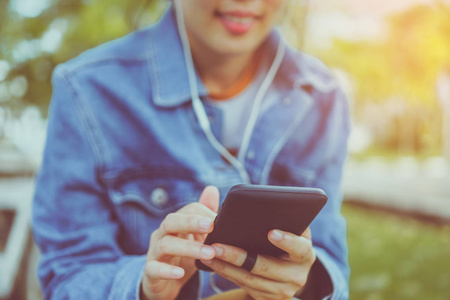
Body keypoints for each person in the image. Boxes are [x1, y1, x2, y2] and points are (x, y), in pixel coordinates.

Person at [32, 0, 351, 299]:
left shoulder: (324, 95)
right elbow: (67, 275)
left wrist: (307, 279)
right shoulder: (86, 89)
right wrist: (143, 287)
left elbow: (330, 259)